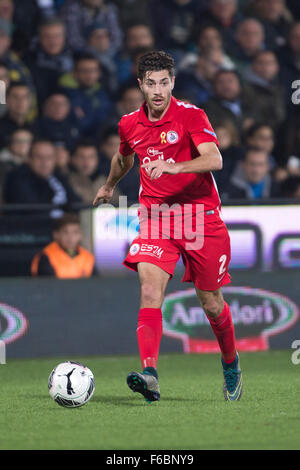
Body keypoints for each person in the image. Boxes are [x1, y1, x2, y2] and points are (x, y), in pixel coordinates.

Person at [93, 50, 243, 402]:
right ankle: (150, 374)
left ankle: (231, 361)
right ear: (140, 85)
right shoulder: (130, 123)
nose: (158, 90)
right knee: (149, 291)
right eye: (151, 84)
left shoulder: (191, 116)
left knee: (210, 302)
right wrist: (110, 184)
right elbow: (124, 156)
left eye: (164, 83)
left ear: (172, 82)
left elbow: (214, 159)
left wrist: (175, 167)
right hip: (157, 218)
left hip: (200, 218)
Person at [3, 139, 82, 217]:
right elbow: (32, 210)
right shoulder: (17, 178)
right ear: (29, 159)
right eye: (39, 157)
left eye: (49, 157)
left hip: (62, 225)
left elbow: (76, 202)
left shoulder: (58, 176)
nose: (45, 162)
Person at [31, 213, 95, 278]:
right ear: (56, 234)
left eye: (75, 232)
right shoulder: (46, 256)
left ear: (80, 235)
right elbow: (47, 285)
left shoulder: (88, 257)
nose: (70, 237)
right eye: (65, 232)